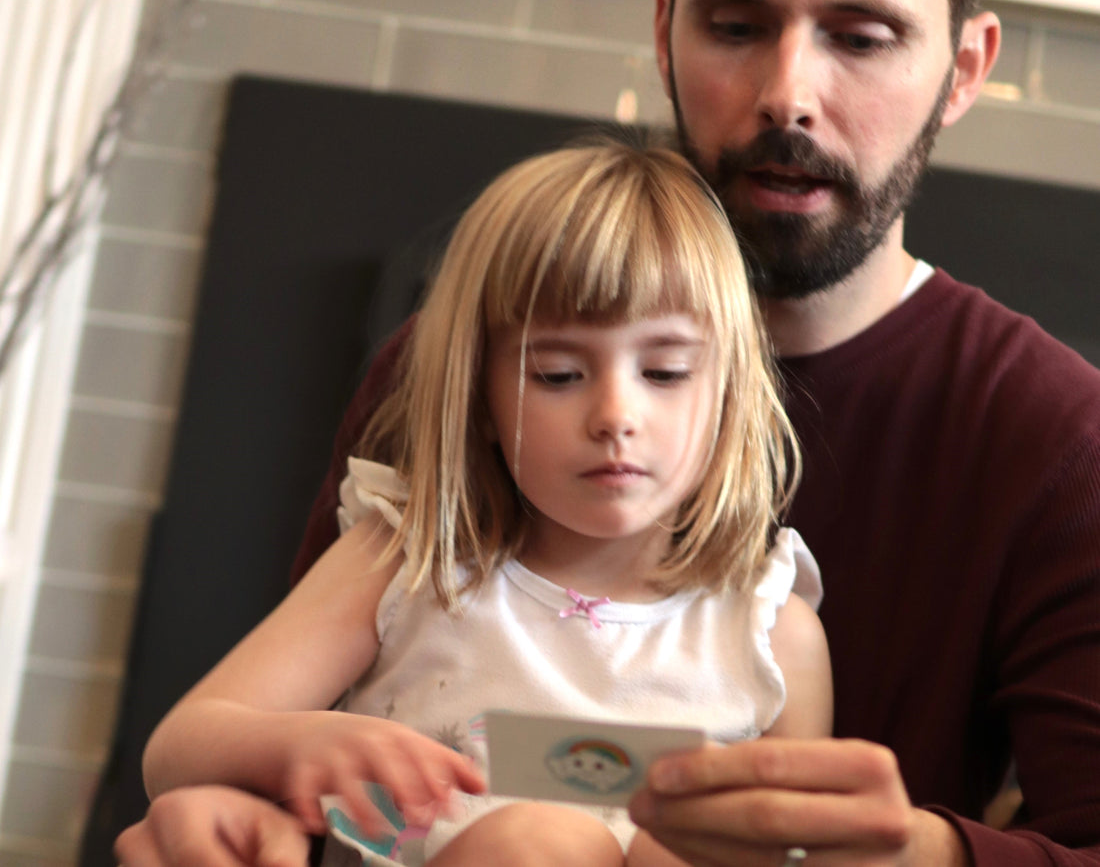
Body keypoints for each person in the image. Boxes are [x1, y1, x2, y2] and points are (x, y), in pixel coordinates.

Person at [117, 0, 1100, 865]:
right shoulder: (445, 368)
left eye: (860, 36)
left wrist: (914, 854)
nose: (787, 91)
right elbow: (300, 749)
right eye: (735, 22)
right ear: (665, 28)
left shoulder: (1054, 440)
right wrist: (239, 813)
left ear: (962, 68)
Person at [139, 141, 833, 867]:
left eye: (665, 371)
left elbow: (811, 848)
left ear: (728, 393)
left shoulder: (770, 634)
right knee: (541, 844)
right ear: (479, 400)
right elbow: (177, 749)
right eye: (560, 375)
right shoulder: (406, 563)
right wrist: (302, 743)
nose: (615, 414)